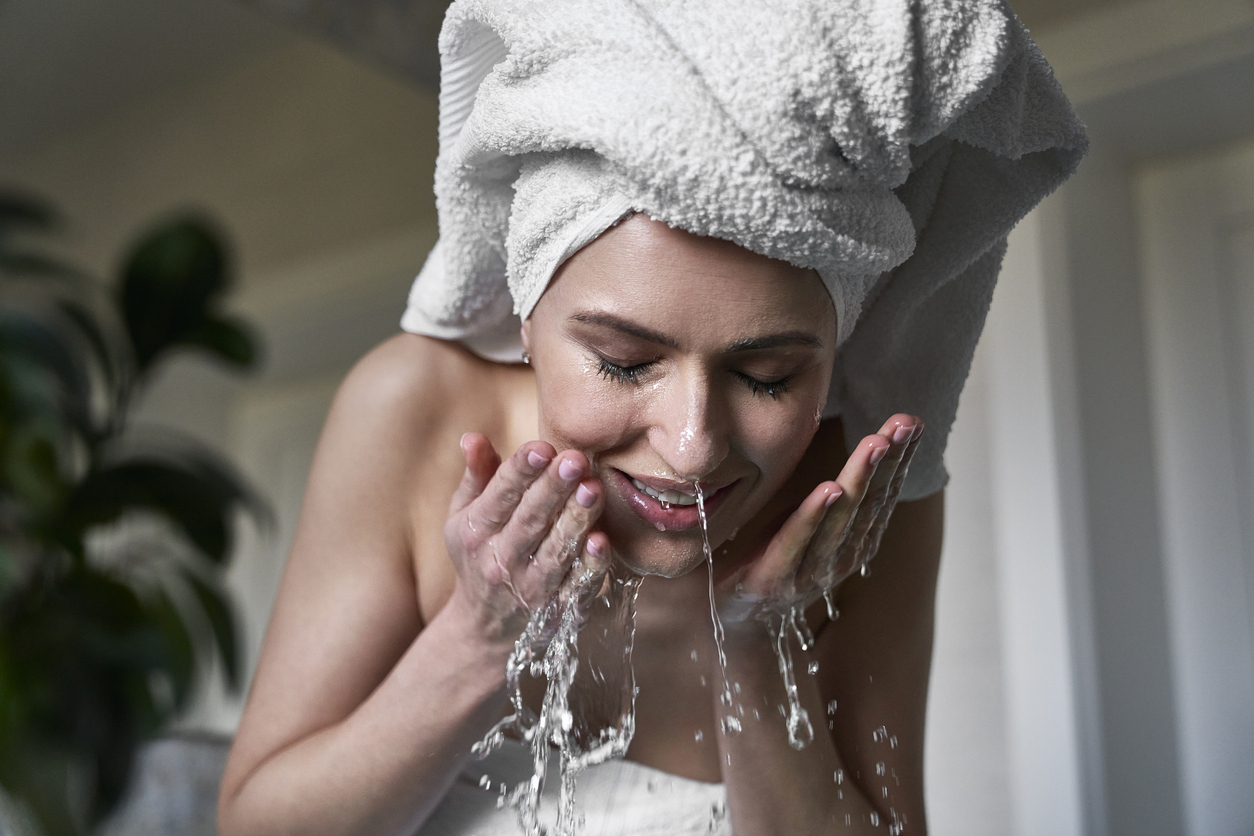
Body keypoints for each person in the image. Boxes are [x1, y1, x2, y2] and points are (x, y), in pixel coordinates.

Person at [217, 2, 1086, 834]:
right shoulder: (412, 411)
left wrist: (758, 646)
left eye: (769, 376)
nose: (693, 446)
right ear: (527, 315)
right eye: (625, 362)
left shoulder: (853, 492)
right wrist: (480, 641)